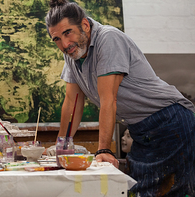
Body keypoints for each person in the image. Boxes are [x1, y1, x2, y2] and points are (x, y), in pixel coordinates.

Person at [45, 0, 195, 196]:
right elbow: (72, 101)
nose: (64, 44)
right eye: (56, 39)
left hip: (171, 122)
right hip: (141, 131)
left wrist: (103, 150)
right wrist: (61, 146)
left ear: (84, 25)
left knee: (173, 192)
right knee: (136, 192)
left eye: (68, 33)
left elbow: (109, 99)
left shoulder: (108, 39)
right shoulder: (72, 53)